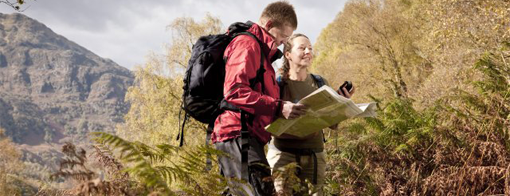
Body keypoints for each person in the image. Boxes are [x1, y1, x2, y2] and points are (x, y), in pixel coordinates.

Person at [212, 1, 307, 195]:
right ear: (269, 24)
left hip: (249, 137)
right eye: (283, 36)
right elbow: (235, 90)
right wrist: (279, 107)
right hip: (237, 134)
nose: (283, 42)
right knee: (261, 190)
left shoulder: (264, 56)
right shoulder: (247, 45)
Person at [266, 33, 355, 195]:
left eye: (310, 48)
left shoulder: (321, 83)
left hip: (315, 156)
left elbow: (332, 124)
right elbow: (267, 122)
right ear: (288, 55)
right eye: (302, 48)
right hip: (283, 155)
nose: (308, 51)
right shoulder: (276, 83)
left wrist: (342, 105)